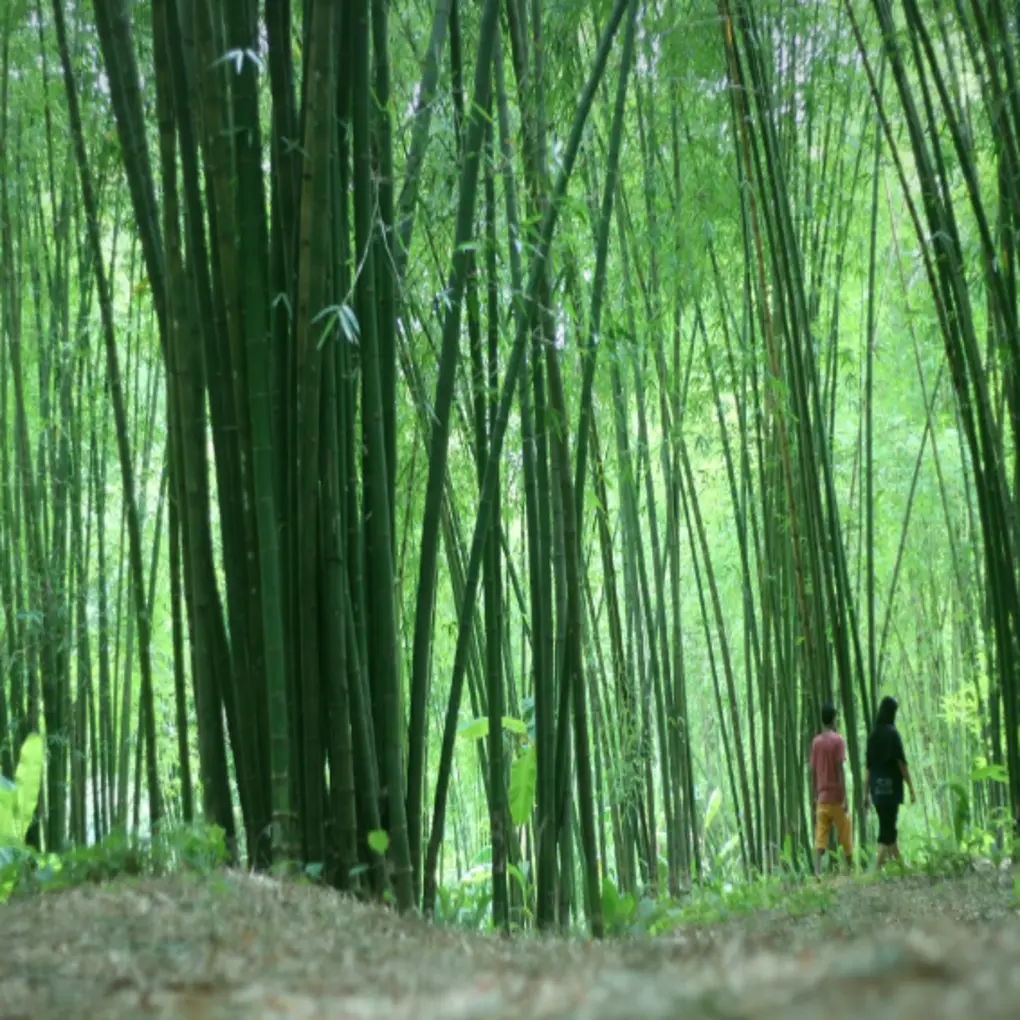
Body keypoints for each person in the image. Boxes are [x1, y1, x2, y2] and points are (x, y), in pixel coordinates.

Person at [863, 695, 916, 870]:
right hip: (892, 789)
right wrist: (911, 787)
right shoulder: (893, 734)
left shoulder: (872, 736)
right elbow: (902, 763)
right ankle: (877, 869)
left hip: (877, 790)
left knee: (888, 827)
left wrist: (865, 793)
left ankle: (900, 867)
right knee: (888, 829)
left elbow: (868, 768)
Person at [810, 701, 853, 877]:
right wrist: (846, 797)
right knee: (845, 831)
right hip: (836, 797)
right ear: (834, 720)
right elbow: (840, 769)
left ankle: (818, 872)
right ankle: (850, 869)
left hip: (822, 797)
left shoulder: (816, 743)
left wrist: (814, 795)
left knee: (821, 835)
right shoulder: (838, 740)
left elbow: (812, 771)